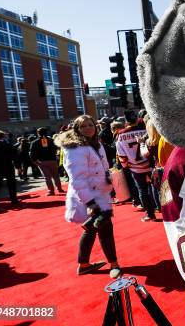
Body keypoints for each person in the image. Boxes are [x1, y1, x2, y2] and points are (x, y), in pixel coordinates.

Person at [56, 115, 121, 278]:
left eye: (90, 124)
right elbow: (77, 180)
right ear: (77, 129)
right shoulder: (76, 148)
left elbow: (102, 167)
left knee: (92, 229)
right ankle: (114, 264)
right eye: (83, 126)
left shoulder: (95, 143)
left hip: (100, 193)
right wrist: (91, 203)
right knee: (105, 229)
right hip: (91, 197)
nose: (88, 128)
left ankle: (83, 264)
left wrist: (109, 182)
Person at [116, 110, 156, 221]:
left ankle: (149, 213)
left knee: (142, 190)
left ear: (126, 120)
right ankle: (160, 207)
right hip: (150, 164)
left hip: (135, 167)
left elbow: (121, 155)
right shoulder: (145, 129)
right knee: (154, 187)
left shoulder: (121, 134)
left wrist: (125, 166)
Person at [0, 131, 19, 211]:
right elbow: (14, 157)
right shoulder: (8, 145)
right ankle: (14, 200)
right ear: (3, 136)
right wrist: (18, 167)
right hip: (8, 167)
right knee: (11, 184)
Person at [30, 127, 63, 195]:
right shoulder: (52, 140)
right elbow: (57, 148)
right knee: (56, 175)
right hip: (52, 160)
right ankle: (59, 188)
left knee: (47, 177)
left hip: (42, 161)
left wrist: (34, 160)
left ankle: (51, 191)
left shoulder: (34, 142)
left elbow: (32, 152)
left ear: (38, 133)